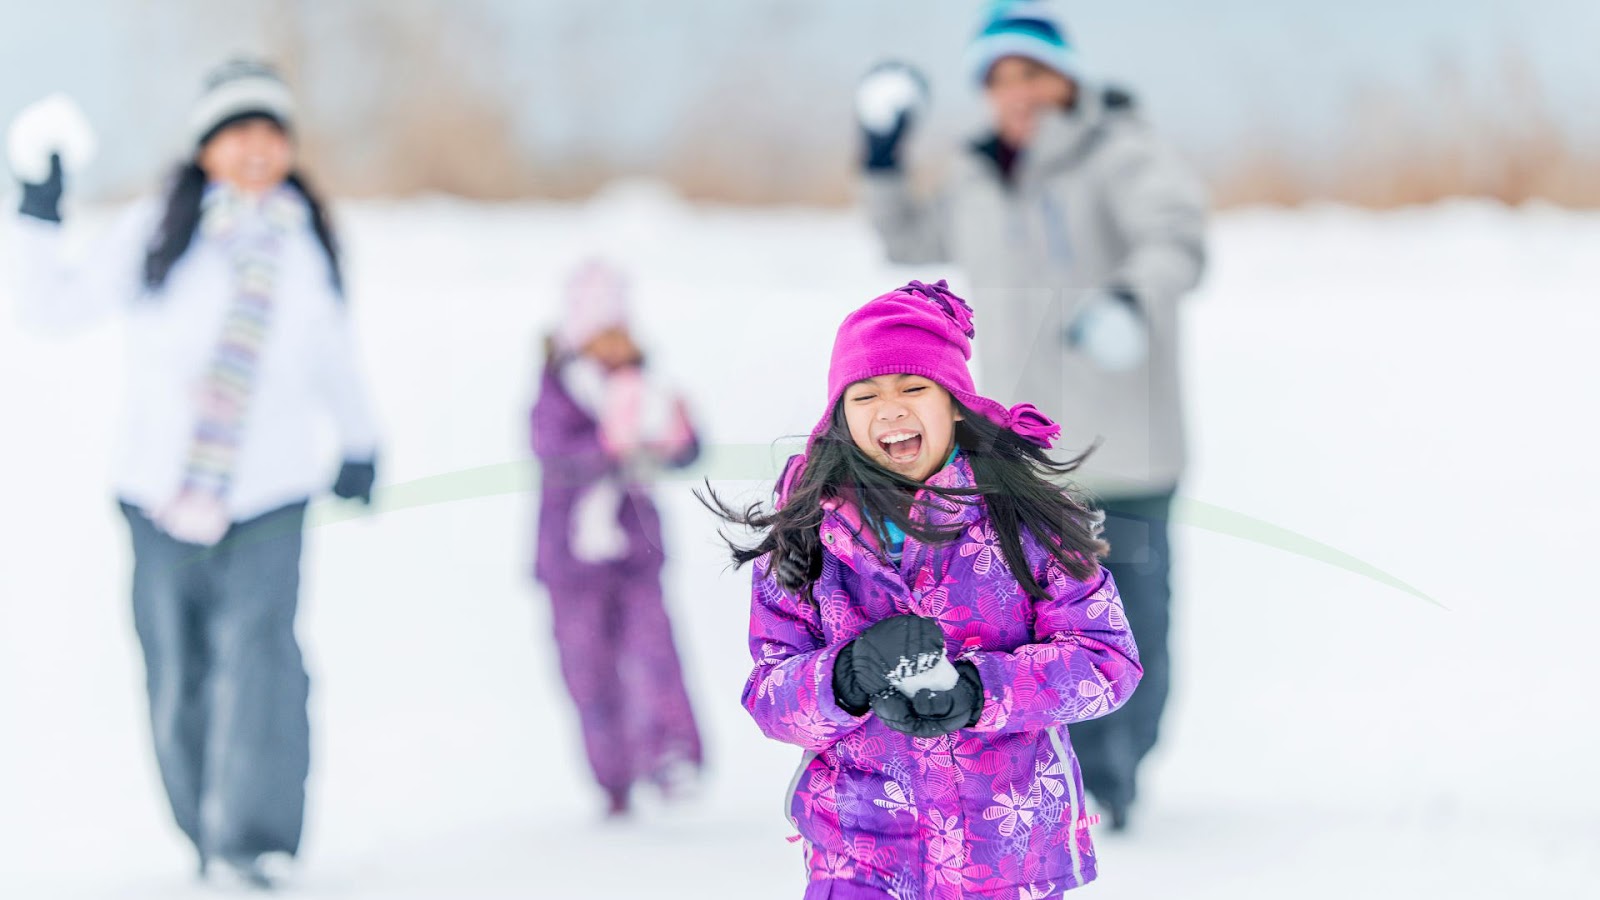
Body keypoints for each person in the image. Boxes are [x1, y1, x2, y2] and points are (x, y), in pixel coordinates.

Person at [7, 59, 380, 889]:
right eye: (239, 131)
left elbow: (334, 356)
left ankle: (255, 838)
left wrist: (360, 443)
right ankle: (202, 828)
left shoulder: (305, 241)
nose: (258, 147)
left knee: (261, 660)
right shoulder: (158, 230)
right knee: (176, 670)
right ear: (206, 146)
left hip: (271, 496)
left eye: (272, 132)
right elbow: (49, 308)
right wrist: (38, 209)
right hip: (158, 497)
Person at [857, 0, 1207, 829]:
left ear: (1064, 78)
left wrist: (1130, 297)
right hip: (1020, 452)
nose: (1016, 93)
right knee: (1035, 621)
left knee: (1133, 619)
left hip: (1127, 442)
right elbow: (906, 234)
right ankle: (1069, 773)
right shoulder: (979, 172)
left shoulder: (1119, 151)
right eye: (998, 78)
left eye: (1031, 73)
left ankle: (1119, 773)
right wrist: (880, 153)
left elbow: (1177, 238)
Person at [703, 280, 1141, 899]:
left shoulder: (1026, 520)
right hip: (858, 850)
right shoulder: (806, 536)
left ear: (955, 404)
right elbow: (769, 695)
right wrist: (844, 677)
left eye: (914, 388)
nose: (891, 410)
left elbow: (1107, 661)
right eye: (865, 395)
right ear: (839, 417)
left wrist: (977, 691)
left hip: (1006, 853)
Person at [531, 260, 705, 819]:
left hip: (635, 549)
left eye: (621, 331)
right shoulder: (556, 393)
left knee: (653, 651)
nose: (613, 345)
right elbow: (556, 455)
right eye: (602, 333)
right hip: (570, 557)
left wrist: (675, 435)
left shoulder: (643, 387)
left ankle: (672, 753)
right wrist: (608, 443)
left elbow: (683, 446)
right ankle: (612, 776)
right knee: (588, 666)